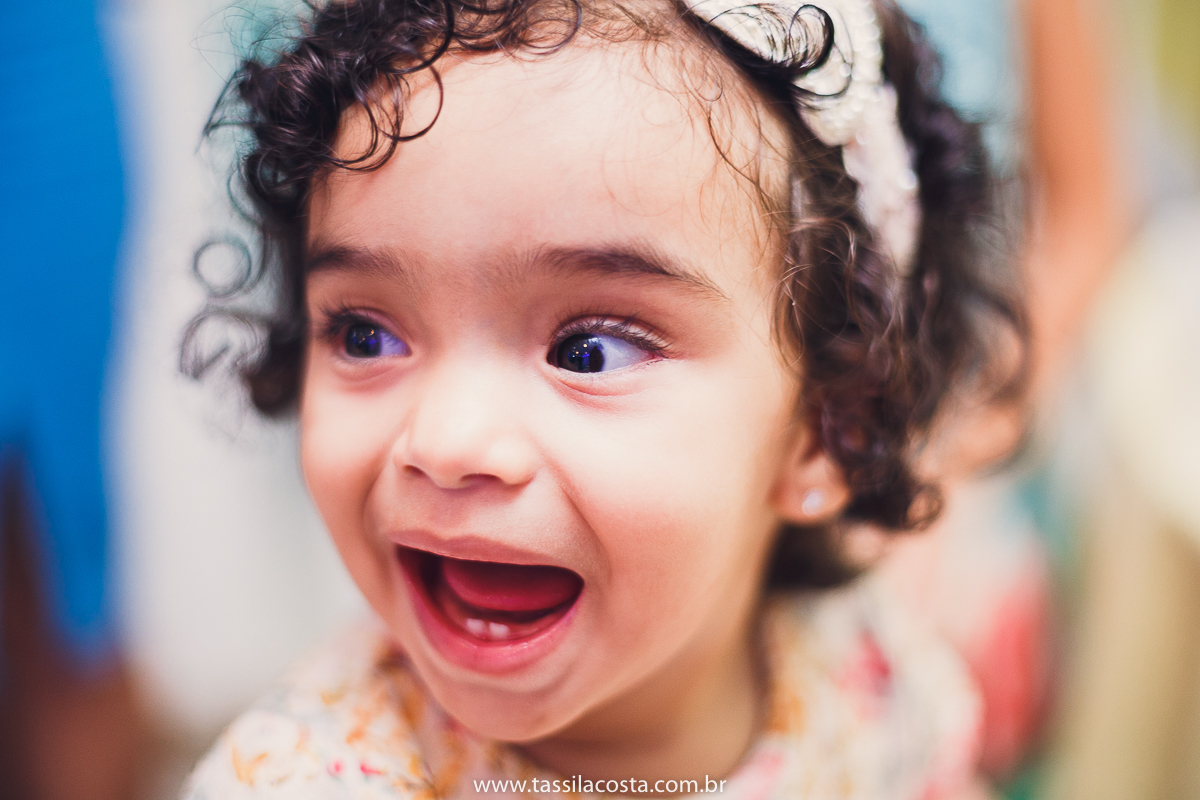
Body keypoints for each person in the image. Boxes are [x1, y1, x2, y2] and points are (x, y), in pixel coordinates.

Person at [181, 0, 1025, 796]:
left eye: (588, 351)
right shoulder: (302, 780)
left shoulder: (858, 663)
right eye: (366, 334)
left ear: (831, 423)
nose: (445, 440)